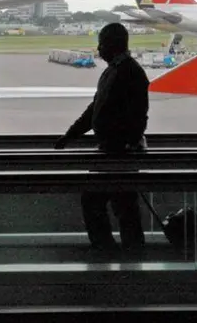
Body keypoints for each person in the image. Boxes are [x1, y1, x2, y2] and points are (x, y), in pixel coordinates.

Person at [55, 23, 149, 256]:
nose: (99, 49)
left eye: (102, 43)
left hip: (117, 153)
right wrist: (71, 134)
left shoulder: (126, 72)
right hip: (114, 151)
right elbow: (95, 109)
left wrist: (127, 144)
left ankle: (111, 250)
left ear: (114, 44)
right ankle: (130, 252)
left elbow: (137, 114)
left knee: (102, 202)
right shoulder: (119, 70)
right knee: (122, 205)